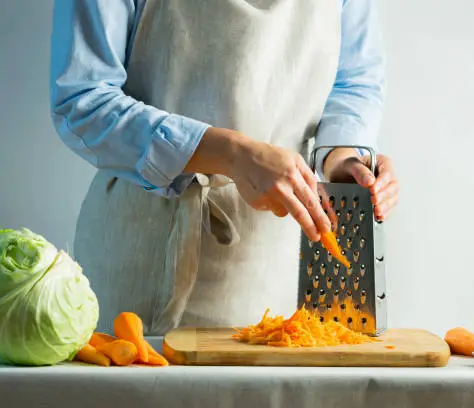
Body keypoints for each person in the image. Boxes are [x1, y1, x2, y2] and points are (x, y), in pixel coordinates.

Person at [49, 0, 399, 335]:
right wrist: (232, 154)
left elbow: (354, 82)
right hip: (141, 255)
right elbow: (82, 100)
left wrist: (341, 155)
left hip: (272, 264)